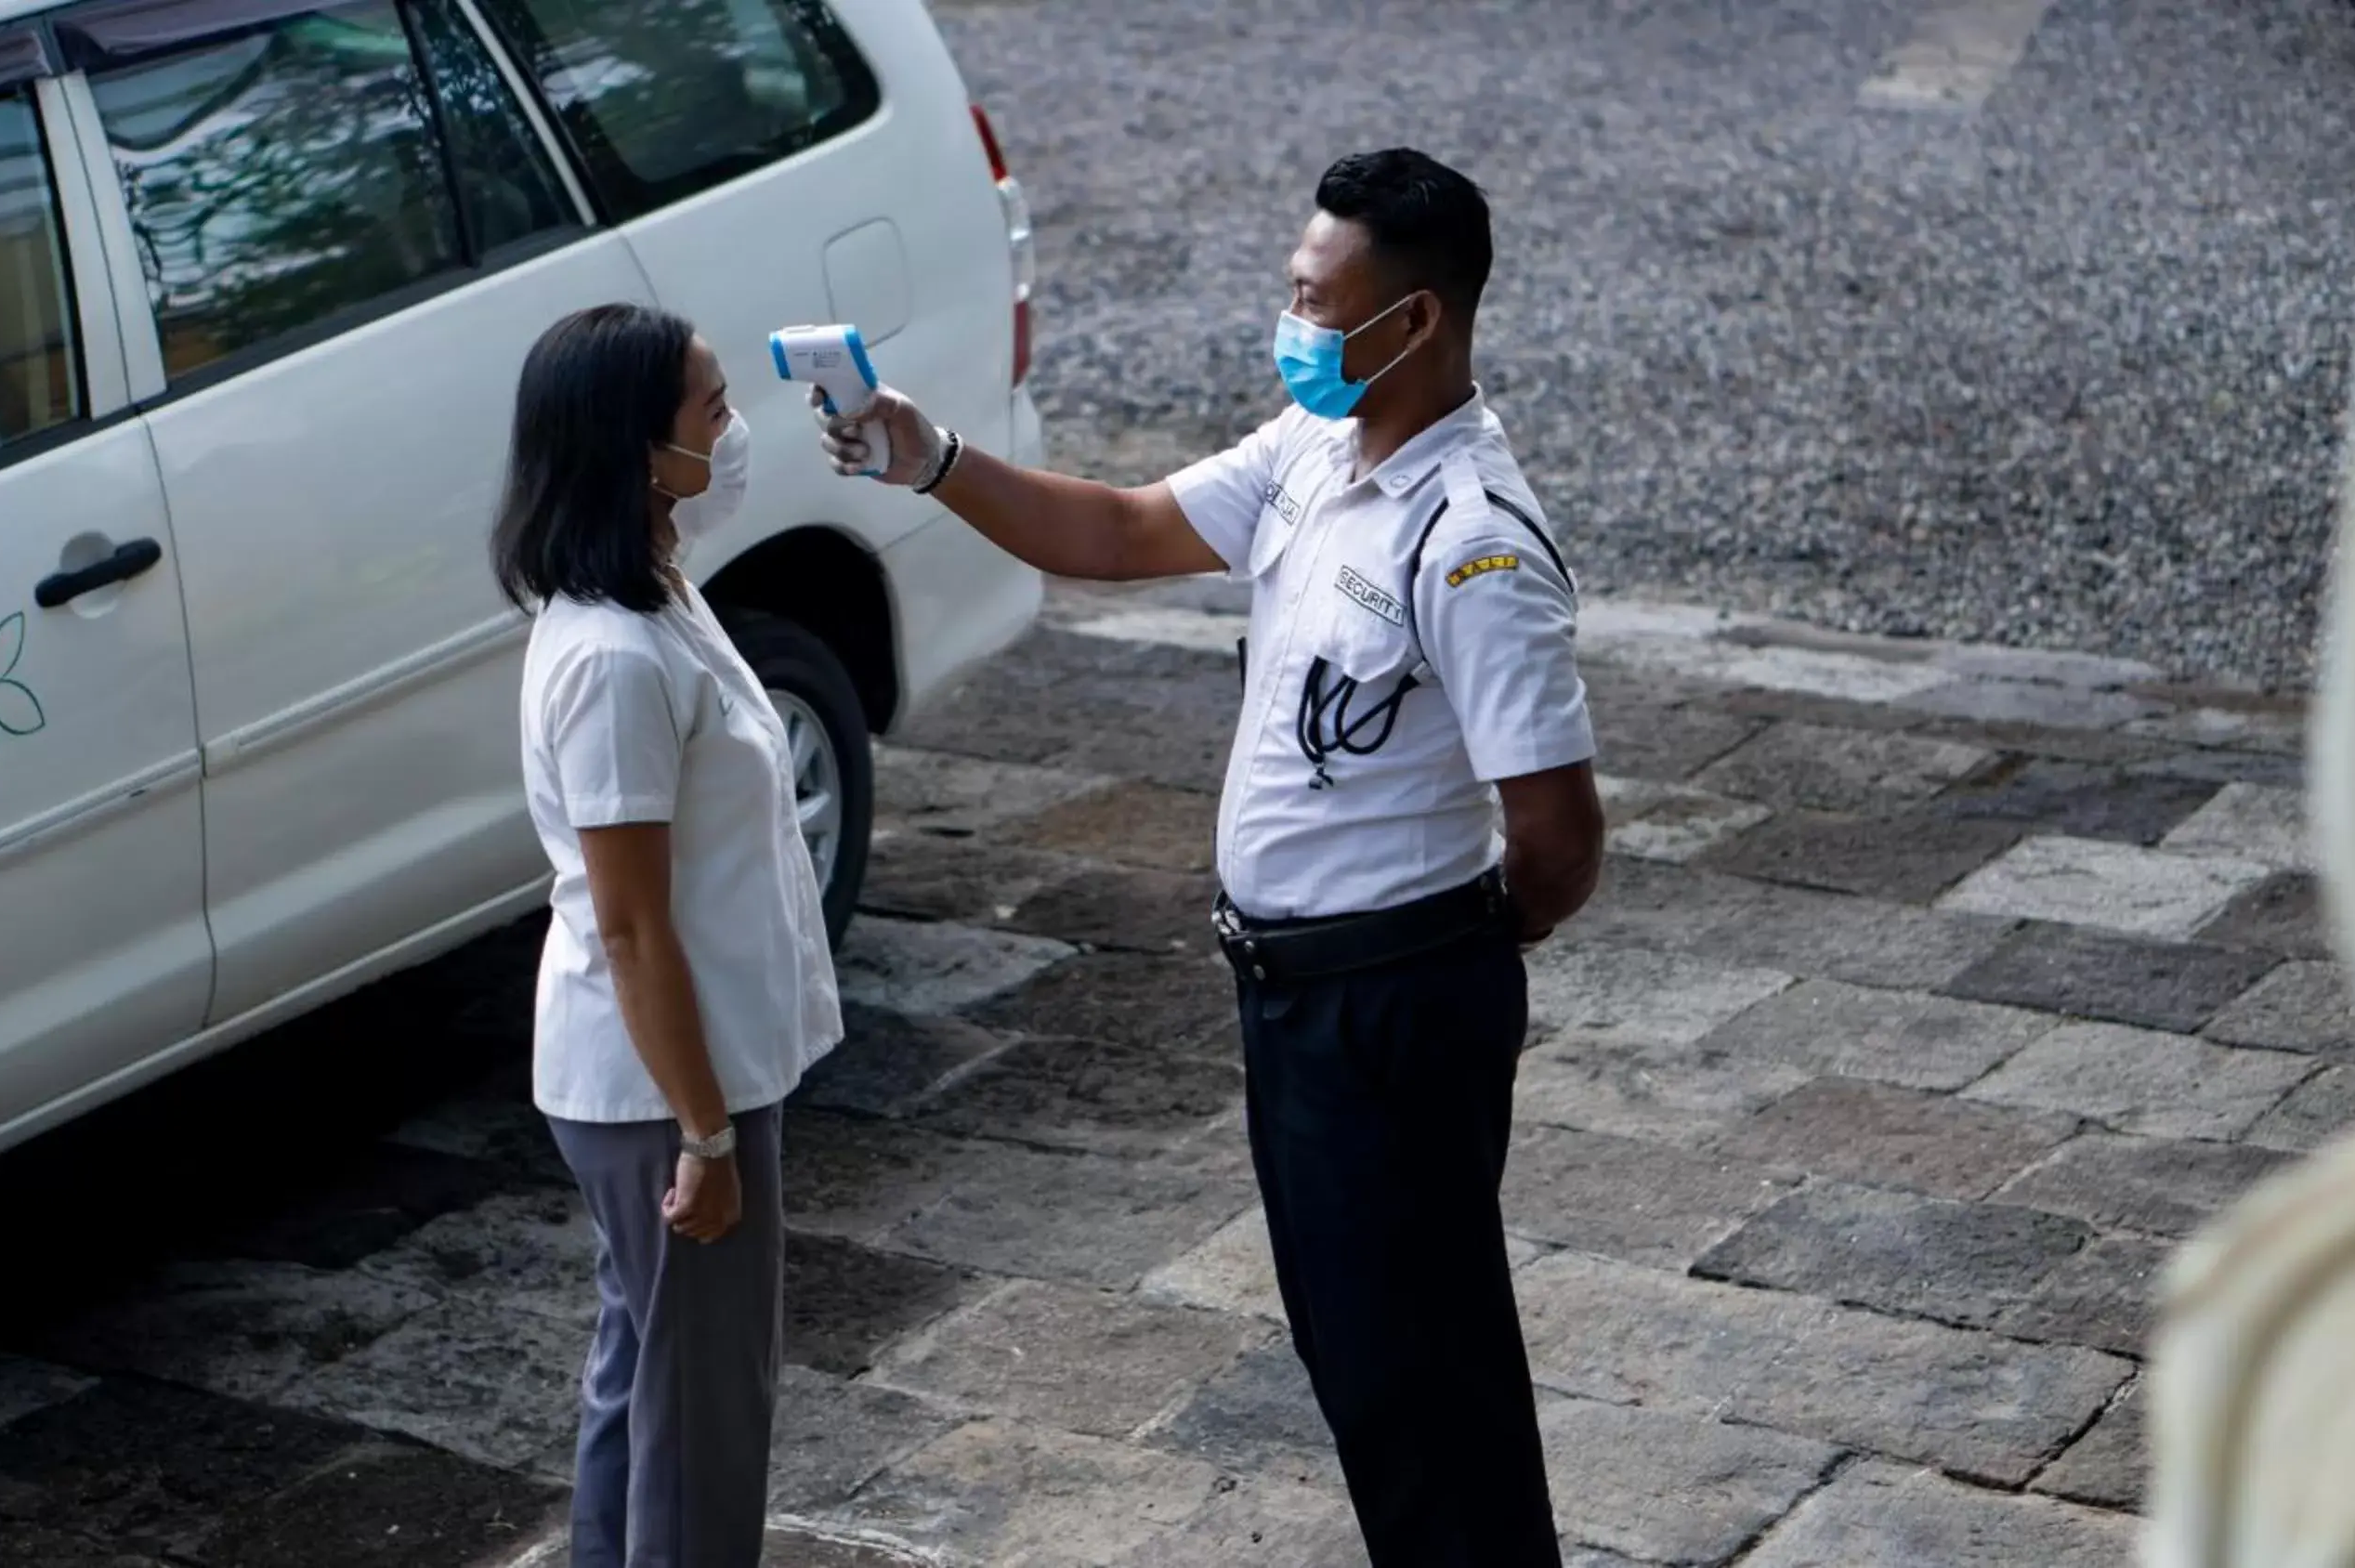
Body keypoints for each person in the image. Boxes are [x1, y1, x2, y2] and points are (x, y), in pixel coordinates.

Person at [813, 148, 1602, 1566]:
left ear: (1411, 320)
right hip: (1295, 995)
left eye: (1313, 296)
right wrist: (925, 457)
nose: (1290, 318)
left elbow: (1555, 836)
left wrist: (1437, 952)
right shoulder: (1314, 449)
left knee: (1426, 1372)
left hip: (1393, 999)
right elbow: (1118, 530)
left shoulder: (1472, 541)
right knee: (1361, 1356)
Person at [494, 302, 841, 1568]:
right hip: (666, 1090)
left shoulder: (658, 589)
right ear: (643, 452)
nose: (732, 430)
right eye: (711, 409)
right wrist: (704, 1132)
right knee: (703, 1421)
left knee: (648, 1380)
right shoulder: (616, 660)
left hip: (678, 1074)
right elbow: (633, 926)